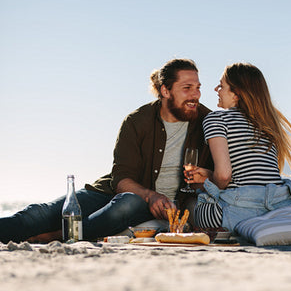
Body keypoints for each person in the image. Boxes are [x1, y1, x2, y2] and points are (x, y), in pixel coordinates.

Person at [0, 58, 212, 243]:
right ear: (165, 90)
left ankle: (59, 236)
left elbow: (224, 174)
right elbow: (121, 179)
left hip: (145, 205)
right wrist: (151, 196)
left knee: (126, 204)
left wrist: (206, 177)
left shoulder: (208, 122)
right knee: (40, 214)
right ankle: (51, 230)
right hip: (113, 191)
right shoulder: (137, 121)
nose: (196, 95)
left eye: (198, 87)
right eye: (187, 88)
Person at [185, 62, 291, 232]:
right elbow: (257, 176)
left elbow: (224, 176)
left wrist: (207, 182)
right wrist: (209, 175)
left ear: (236, 93)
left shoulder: (216, 119)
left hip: (235, 213)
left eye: (222, 86)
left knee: (190, 205)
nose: (216, 89)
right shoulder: (269, 125)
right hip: (278, 212)